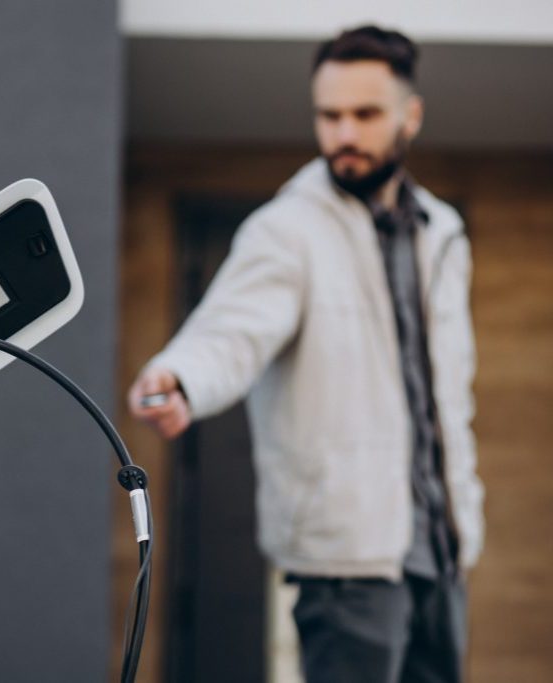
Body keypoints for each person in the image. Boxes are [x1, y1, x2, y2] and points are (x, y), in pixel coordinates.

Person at [127, 25, 484, 683]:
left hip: (443, 548)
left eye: (365, 114)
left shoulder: (441, 234)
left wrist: (465, 510)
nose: (344, 133)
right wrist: (182, 377)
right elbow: (230, 331)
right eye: (329, 115)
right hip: (345, 560)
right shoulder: (286, 230)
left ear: (411, 115)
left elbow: (448, 398)